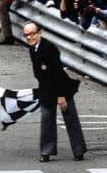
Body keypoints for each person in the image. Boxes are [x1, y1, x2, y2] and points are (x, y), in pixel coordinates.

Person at [22, 21, 87, 162]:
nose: (29, 38)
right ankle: (46, 151)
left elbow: (57, 73)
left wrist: (61, 96)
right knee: (46, 119)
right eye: (26, 35)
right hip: (46, 88)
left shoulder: (50, 48)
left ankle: (79, 150)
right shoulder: (32, 48)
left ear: (40, 32)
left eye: (32, 34)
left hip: (61, 86)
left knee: (71, 119)